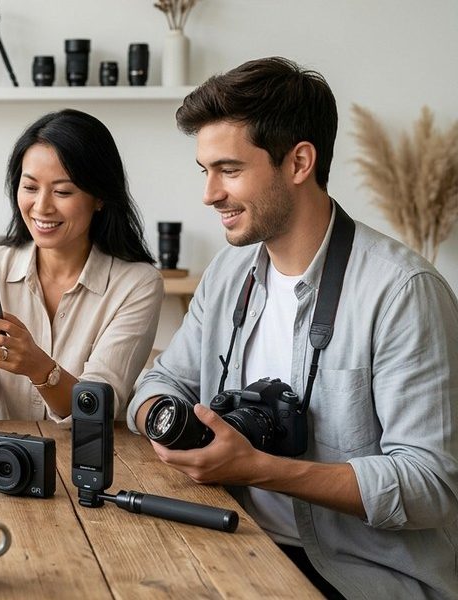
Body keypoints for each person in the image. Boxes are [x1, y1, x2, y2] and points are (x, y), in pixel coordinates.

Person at [128, 57, 458, 599]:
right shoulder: (228, 273)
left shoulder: (402, 291)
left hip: (361, 577)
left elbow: (431, 483)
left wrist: (258, 468)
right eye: (204, 170)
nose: (209, 194)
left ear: (300, 162)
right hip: (236, 545)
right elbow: (158, 384)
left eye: (229, 170)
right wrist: (171, 427)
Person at [0, 109, 164, 422]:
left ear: (99, 197)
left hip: (88, 452)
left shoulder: (137, 284)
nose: (42, 207)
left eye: (62, 191)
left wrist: (38, 367)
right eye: (30, 188)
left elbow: (97, 408)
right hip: (2, 451)